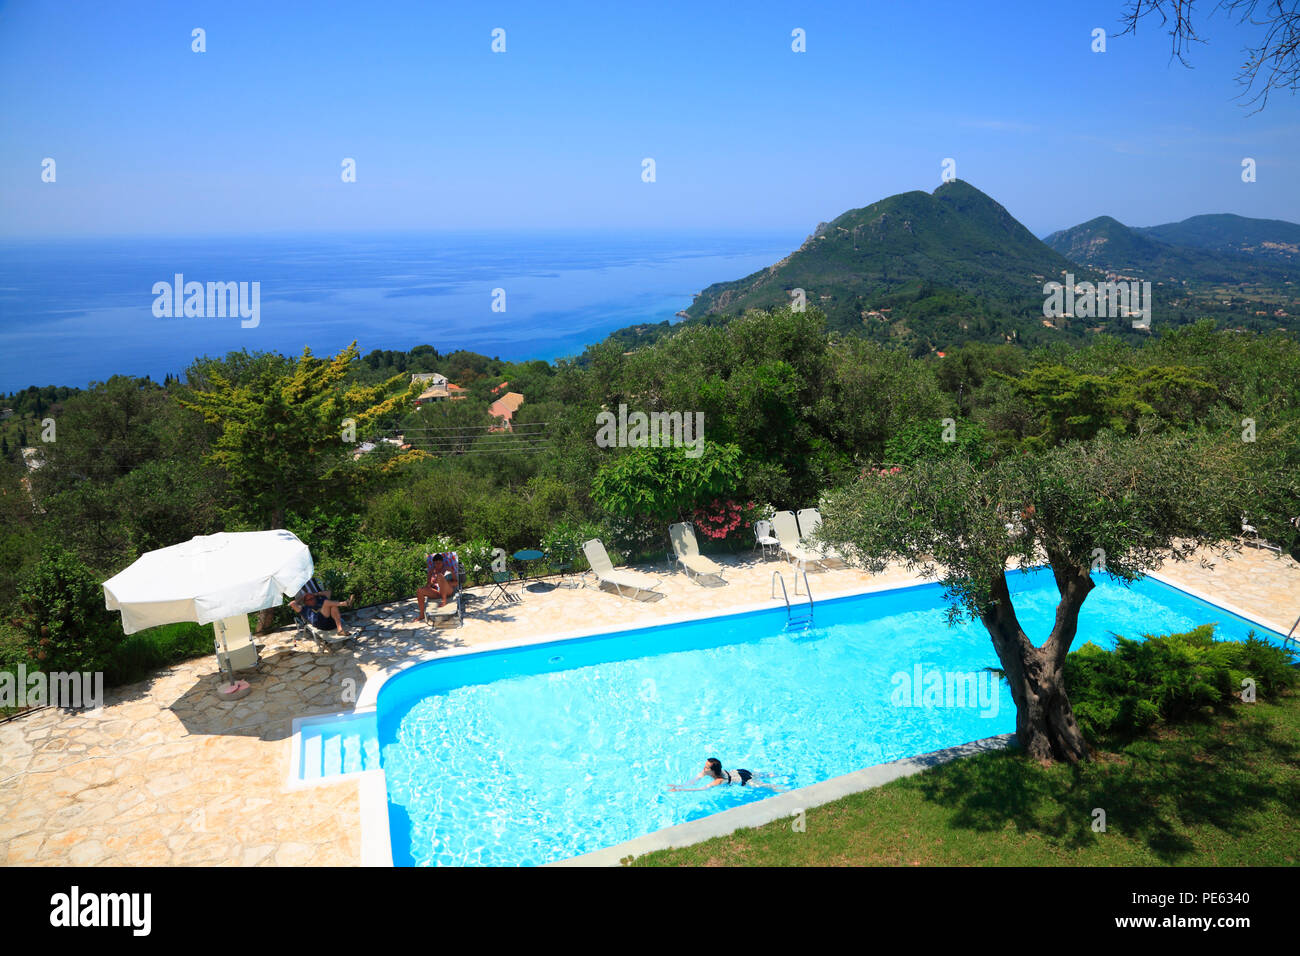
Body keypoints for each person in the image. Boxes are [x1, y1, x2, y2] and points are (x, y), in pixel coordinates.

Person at [669, 757, 786, 792]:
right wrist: (679, 786)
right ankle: (784, 774)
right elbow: (694, 781)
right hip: (739, 771)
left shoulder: (718, 781)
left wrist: (680, 791)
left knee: (766, 786)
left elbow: (701, 788)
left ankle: (786, 789)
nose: (703, 768)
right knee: (765, 775)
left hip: (744, 778)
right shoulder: (706, 771)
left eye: (706, 767)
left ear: (713, 771)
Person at [417, 552, 459, 620]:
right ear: (434, 563)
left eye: (439, 563)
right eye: (436, 563)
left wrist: (444, 582)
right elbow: (428, 585)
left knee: (440, 576)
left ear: (442, 562)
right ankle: (421, 615)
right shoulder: (431, 571)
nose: (438, 565)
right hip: (437, 592)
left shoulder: (448, 569)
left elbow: (456, 583)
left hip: (447, 591)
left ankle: (444, 601)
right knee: (419, 591)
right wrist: (431, 583)